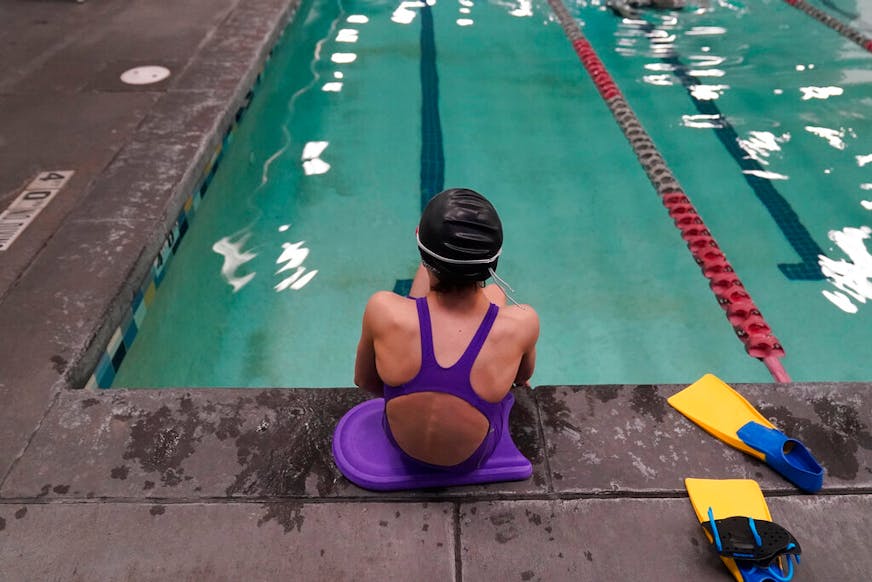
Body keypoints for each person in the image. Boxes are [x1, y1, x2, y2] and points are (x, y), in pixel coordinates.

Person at [353, 188, 539, 470]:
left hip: (401, 445)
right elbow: (522, 378)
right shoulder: (524, 321)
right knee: (497, 296)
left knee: (421, 301)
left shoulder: (382, 309)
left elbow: (365, 381)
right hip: (471, 458)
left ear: (421, 246)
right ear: (493, 261)